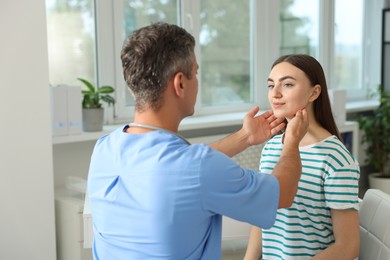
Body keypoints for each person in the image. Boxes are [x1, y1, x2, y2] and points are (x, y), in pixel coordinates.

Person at [87, 22, 308, 260]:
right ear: (180, 83)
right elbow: (283, 194)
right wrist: (292, 141)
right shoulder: (197, 167)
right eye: (196, 73)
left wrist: (245, 137)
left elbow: (173, 171)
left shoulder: (105, 148)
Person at [243, 54, 360, 260]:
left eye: (287, 84)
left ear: (314, 92)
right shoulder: (271, 148)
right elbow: (262, 215)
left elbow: (348, 247)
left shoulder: (336, 159)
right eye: (271, 86)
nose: (275, 94)